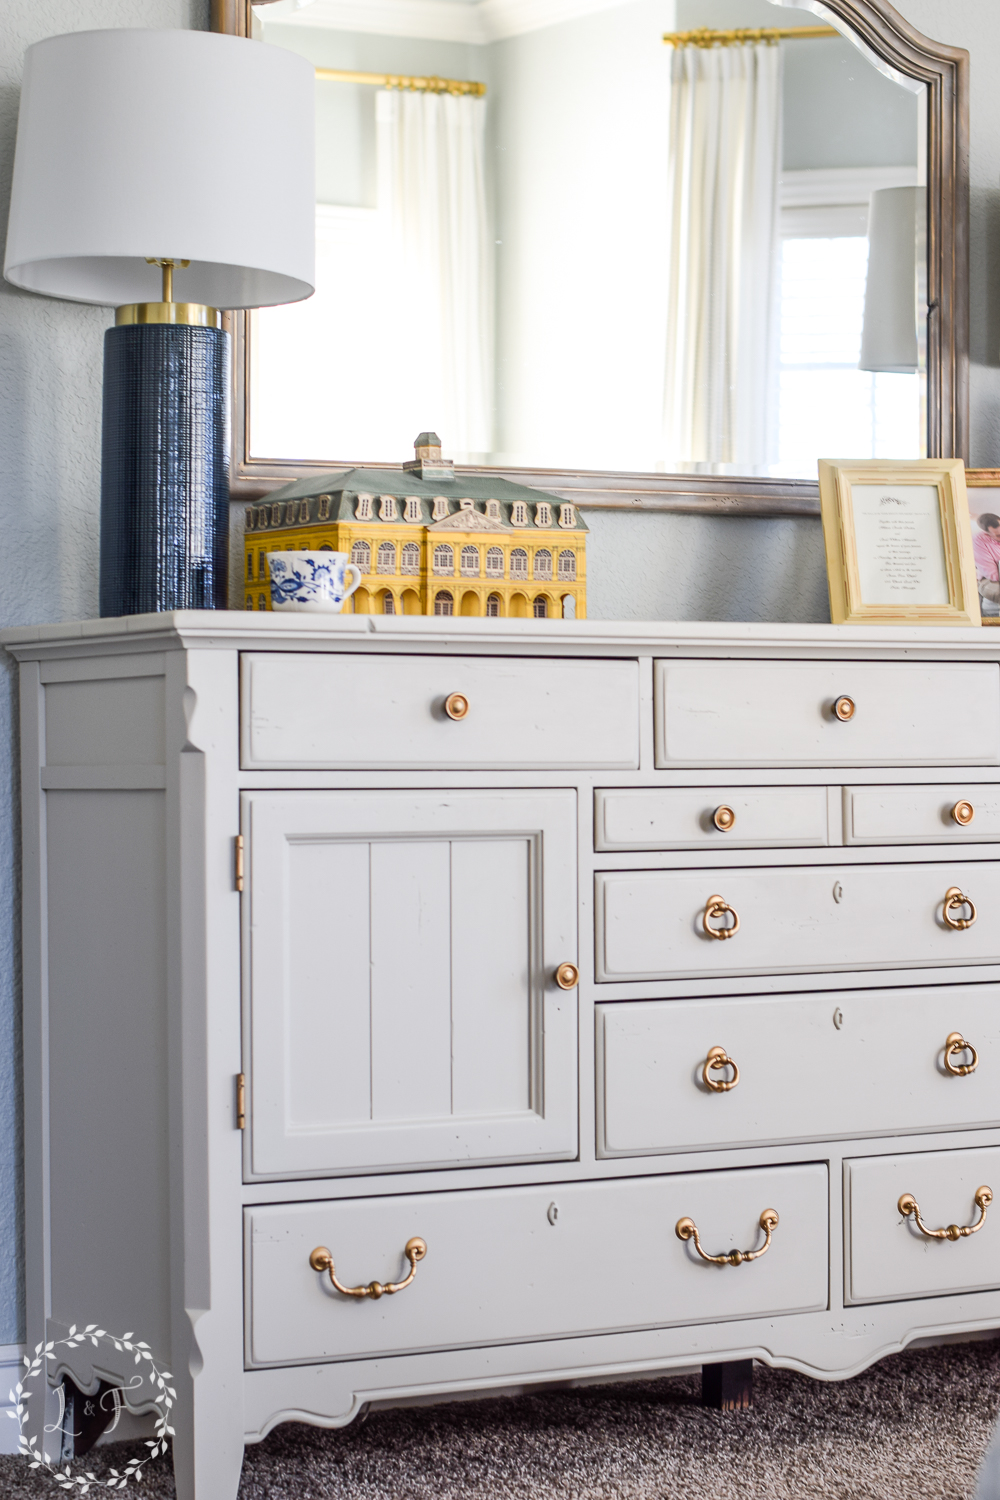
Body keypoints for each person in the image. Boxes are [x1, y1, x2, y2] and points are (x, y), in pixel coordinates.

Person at [973, 512, 1000, 616]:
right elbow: (993, 575)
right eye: (998, 535)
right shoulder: (979, 540)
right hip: (990, 580)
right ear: (986, 533)